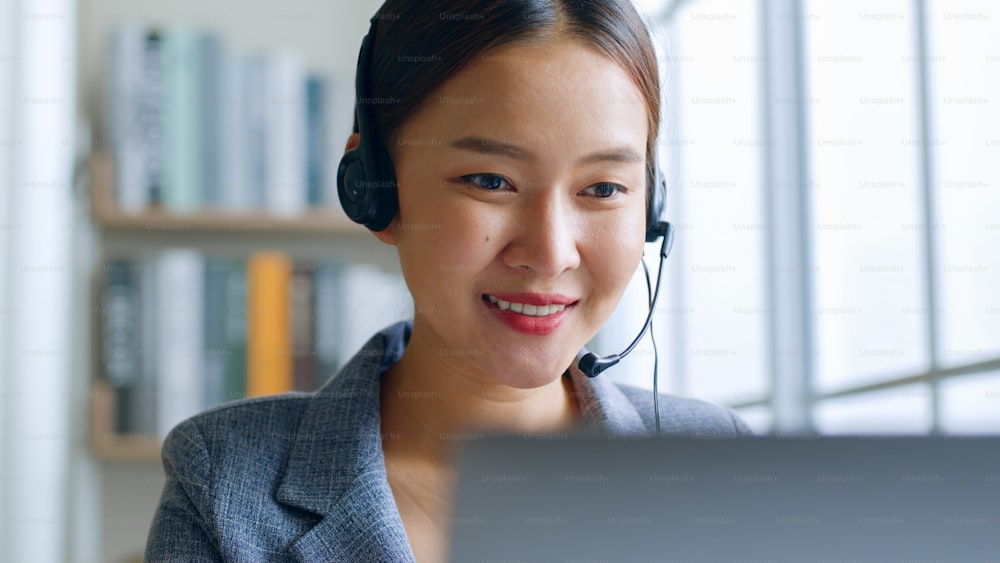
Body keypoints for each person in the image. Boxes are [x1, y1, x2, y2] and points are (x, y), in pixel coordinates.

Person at [144, 1, 753, 561]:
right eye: (490, 181)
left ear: (649, 208)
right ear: (378, 189)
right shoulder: (225, 486)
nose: (549, 254)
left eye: (602, 189)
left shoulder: (720, 464)